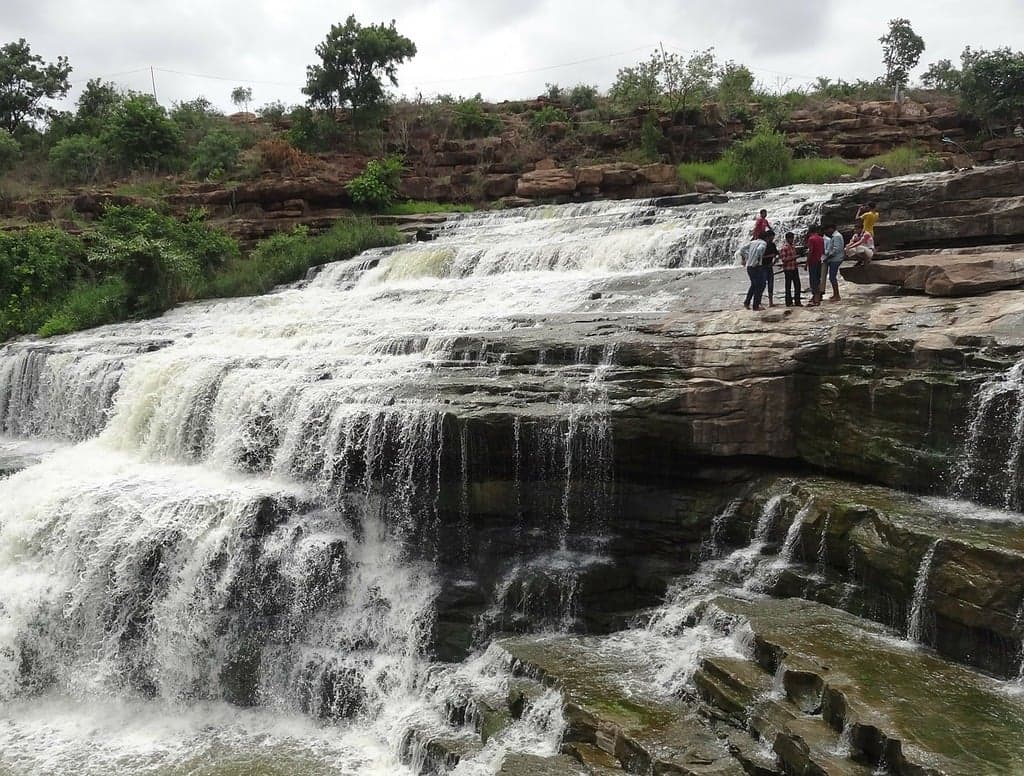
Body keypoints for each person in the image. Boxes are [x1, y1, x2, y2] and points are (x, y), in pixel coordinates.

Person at [739, 233, 769, 310]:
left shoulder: (753, 242)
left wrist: (745, 258)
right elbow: (759, 250)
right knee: (760, 286)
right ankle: (756, 306)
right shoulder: (763, 243)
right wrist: (757, 261)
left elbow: (742, 249)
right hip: (756, 267)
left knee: (754, 285)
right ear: (766, 238)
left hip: (749, 266)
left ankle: (747, 302)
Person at [823, 223, 845, 301]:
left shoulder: (836, 236)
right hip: (835, 259)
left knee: (832, 277)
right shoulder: (836, 236)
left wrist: (828, 257)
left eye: (827, 229)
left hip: (836, 259)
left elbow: (836, 249)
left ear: (831, 228)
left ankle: (837, 295)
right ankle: (835, 294)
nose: (827, 231)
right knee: (832, 277)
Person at [805, 225, 825, 306]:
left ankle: (816, 299)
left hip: (812, 261)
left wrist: (806, 262)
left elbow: (810, 251)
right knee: (817, 279)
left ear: (810, 230)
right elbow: (823, 250)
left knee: (813, 280)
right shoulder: (821, 238)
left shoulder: (811, 239)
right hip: (819, 260)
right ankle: (818, 297)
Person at [780, 231, 801, 306]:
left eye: (792, 238)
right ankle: (788, 302)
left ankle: (797, 302)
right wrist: (794, 257)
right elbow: (783, 259)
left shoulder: (793, 246)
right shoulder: (784, 248)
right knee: (788, 286)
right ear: (787, 239)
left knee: (797, 285)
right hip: (788, 269)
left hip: (794, 267)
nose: (792, 240)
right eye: (790, 238)